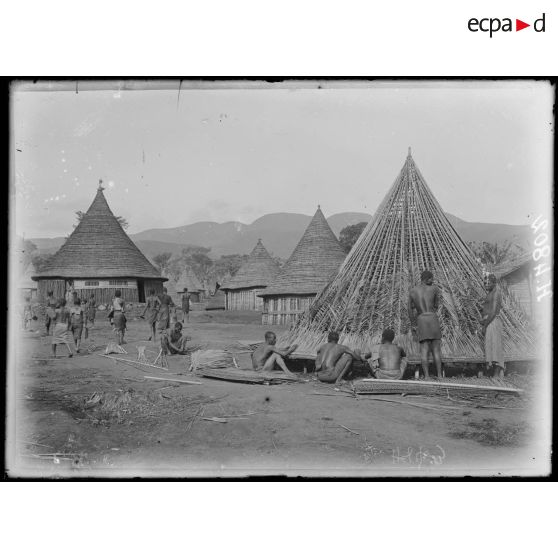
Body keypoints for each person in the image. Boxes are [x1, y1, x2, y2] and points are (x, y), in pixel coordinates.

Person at [408, 270, 442, 379]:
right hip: (432, 318)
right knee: (436, 349)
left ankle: (427, 376)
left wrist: (413, 324)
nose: (432, 281)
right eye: (431, 279)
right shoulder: (434, 289)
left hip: (421, 319)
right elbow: (437, 305)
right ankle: (440, 375)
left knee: (424, 349)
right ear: (427, 279)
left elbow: (409, 310)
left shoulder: (413, 291)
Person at [481, 274, 505, 379]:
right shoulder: (490, 293)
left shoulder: (496, 293)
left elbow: (494, 311)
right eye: (485, 283)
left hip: (493, 322)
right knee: (490, 347)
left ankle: (496, 374)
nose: (486, 285)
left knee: (496, 348)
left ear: (494, 283)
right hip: (489, 322)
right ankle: (492, 373)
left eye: (488, 283)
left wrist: (485, 325)